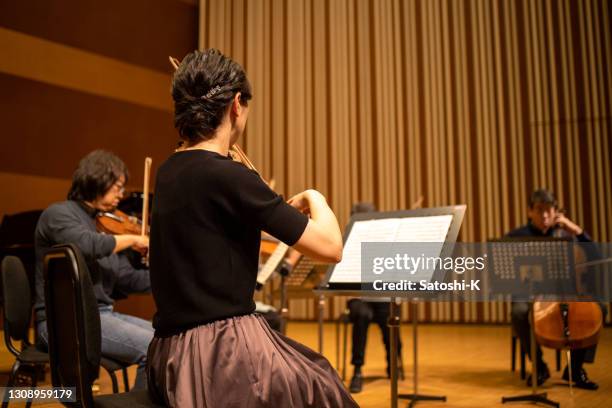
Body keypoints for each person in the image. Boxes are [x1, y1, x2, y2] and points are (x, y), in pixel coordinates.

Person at [146, 49, 358, 407]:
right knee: (320, 385)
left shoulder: (169, 171)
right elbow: (331, 247)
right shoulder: (227, 175)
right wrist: (314, 196)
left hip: (169, 354)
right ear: (236, 106)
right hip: (216, 356)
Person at [33, 150, 154, 390]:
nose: (121, 195)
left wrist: (169, 275)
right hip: (64, 322)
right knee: (152, 347)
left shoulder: (102, 224)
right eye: (117, 187)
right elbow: (87, 246)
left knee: (166, 339)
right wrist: (133, 239)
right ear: (97, 179)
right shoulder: (58, 214)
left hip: (101, 315)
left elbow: (126, 277)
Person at [508, 189, 605, 390]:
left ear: (556, 212)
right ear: (530, 212)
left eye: (549, 210)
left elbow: (595, 255)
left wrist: (576, 230)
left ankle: (575, 368)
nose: (544, 215)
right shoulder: (518, 236)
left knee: (599, 309)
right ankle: (540, 366)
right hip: (531, 294)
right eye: (539, 210)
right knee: (518, 312)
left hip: (566, 293)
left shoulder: (567, 234)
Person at [346, 202, 403, 393]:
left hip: (384, 297)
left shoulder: (388, 240)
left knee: (390, 320)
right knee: (361, 316)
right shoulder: (348, 240)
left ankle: (393, 361)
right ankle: (358, 369)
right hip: (358, 297)